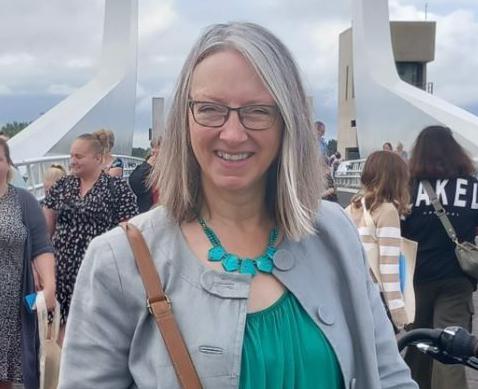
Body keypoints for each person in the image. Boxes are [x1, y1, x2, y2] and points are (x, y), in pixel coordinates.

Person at [58, 22, 416, 388]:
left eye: (258, 111)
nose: (232, 134)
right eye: (210, 109)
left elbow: (388, 376)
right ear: (185, 118)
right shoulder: (120, 261)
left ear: (288, 122)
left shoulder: (335, 233)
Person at [402, 125, 478, 389]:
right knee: (450, 345)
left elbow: (398, 227)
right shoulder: (472, 186)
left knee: (418, 342)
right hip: (457, 277)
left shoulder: (409, 187)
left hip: (417, 276)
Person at [42, 132, 138, 341]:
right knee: (60, 328)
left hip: (99, 272)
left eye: (78, 156)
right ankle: (63, 369)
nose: (72, 162)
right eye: (71, 156)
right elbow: (45, 232)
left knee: (95, 331)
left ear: (98, 158)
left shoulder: (117, 189)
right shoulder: (62, 186)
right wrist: (42, 270)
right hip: (62, 272)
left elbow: (130, 232)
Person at [0, 138, 56, 389]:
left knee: (6, 374)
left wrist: (49, 286)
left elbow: (41, 246)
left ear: (8, 164)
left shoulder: (23, 201)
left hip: (9, 306)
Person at [345, 151, 410, 331]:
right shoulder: (387, 211)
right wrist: (397, 309)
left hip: (351, 293)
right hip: (374, 297)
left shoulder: (351, 208)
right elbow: (388, 265)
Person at [128, 137, 161, 213]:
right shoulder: (146, 166)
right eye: (152, 147)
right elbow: (135, 183)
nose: (153, 151)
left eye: (158, 147)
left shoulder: (174, 169)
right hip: (148, 211)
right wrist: (147, 166)